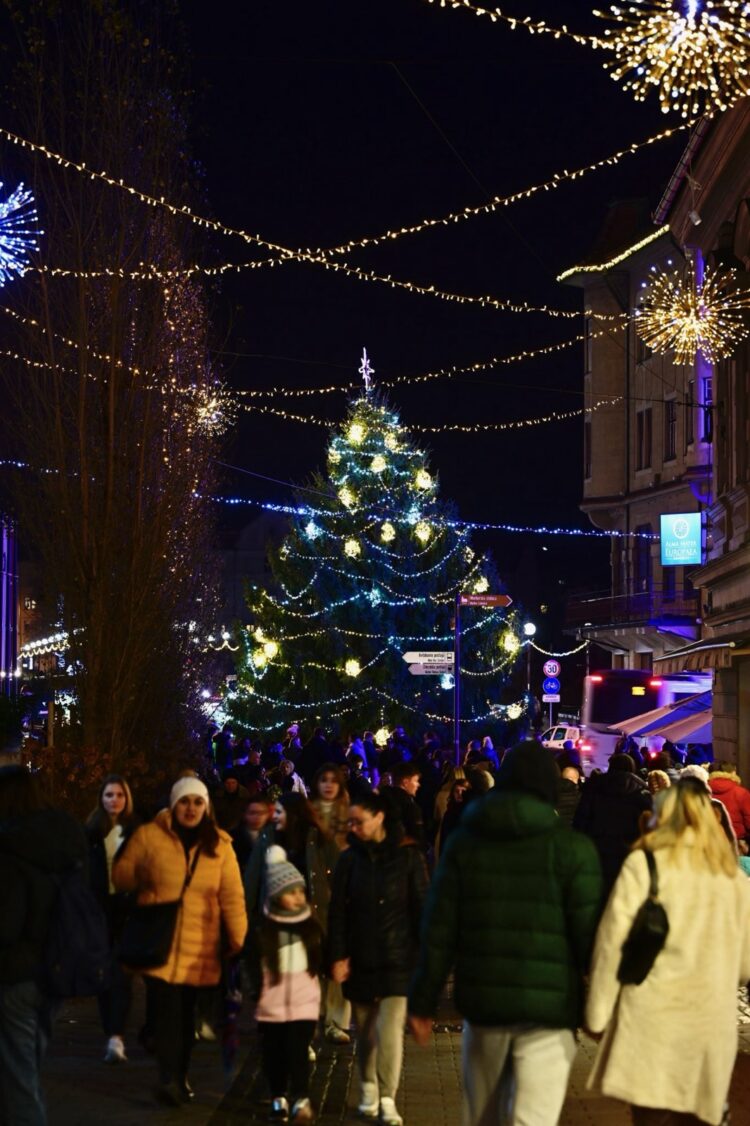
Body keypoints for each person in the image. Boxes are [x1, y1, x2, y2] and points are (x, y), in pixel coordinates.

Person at [408, 740, 603, 1126]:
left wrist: (424, 999)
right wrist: (598, 1005)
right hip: (550, 1007)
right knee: (534, 1117)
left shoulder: (466, 843)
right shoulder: (573, 849)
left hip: (486, 1003)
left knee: (485, 1115)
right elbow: (591, 936)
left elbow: (440, 926)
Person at [585, 778, 750, 1125]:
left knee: (653, 1117)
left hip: (651, 1021)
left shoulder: (644, 865)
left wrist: (598, 1012)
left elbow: (612, 944)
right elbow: (745, 967)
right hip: (709, 1026)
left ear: (661, 817)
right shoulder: (735, 880)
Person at [113, 775, 247, 1106]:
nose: (191, 808)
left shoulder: (220, 844)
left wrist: (238, 937)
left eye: (197, 802)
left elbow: (232, 895)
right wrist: (139, 873)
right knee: (166, 1016)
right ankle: (169, 1079)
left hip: (200, 945)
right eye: (184, 802)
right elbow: (121, 875)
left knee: (187, 1018)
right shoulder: (149, 836)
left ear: (206, 806)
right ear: (174, 804)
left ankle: (181, 1074)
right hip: (160, 940)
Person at [328, 792, 428, 1126]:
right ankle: (368, 1086)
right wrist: (339, 955)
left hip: (398, 959)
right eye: (350, 822)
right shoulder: (349, 861)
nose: (353, 828)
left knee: (388, 1031)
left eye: (359, 821)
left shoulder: (408, 858)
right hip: (360, 958)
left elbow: (421, 909)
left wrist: (423, 957)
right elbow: (337, 913)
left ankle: (387, 1098)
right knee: (367, 1032)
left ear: (380, 817)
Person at [0, 763, 89, 1126]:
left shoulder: (10, 846)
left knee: (18, 1079)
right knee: (29, 1066)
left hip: (16, 973)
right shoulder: (67, 838)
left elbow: (6, 924)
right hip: (59, 967)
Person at [246, 845, 322, 1124]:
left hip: (304, 1003)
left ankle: (300, 1096)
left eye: (300, 891)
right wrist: (258, 990)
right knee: (274, 1053)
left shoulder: (309, 927)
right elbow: (253, 965)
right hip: (273, 1004)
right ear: (278, 896)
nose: (298, 897)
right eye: (291, 892)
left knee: (298, 1051)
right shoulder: (264, 930)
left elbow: (317, 960)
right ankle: (278, 1095)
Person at [85, 773, 140, 1063]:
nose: (114, 800)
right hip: (100, 910)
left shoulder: (135, 831)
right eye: (109, 795)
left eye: (119, 795)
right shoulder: (92, 830)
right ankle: (111, 1031)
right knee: (104, 973)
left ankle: (116, 1035)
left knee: (123, 974)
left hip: (126, 911)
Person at [574, 752, 652, 893]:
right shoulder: (642, 792)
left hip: (597, 851)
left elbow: (581, 820)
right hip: (629, 853)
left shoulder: (594, 787)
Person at [708, 762, 750, 852]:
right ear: (733, 772)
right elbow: (748, 818)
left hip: (711, 840)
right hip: (736, 841)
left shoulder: (705, 791)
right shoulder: (741, 792)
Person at [231, 794, 274, 873]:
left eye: (262, 813)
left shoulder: (274, 835)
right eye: (252, 813)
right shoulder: (233, 837)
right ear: (244, 814)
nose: (257, 817)